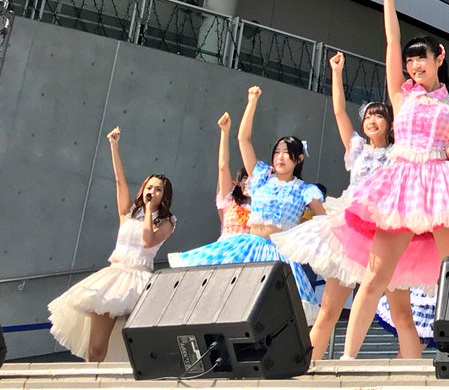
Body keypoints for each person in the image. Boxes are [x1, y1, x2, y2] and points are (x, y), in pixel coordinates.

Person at [334, 0, 449, 360]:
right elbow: (391, 41)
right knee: (375, 277)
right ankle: (346, 360)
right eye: (410, 60)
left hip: (442, 186)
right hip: (400, 184)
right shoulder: (401, 95)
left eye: (420, 58)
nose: (413, 65)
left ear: (439, 57)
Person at [273, 52, 422, 359]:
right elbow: (340, 111)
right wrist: (337, 73)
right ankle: (307, 368)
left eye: (379, 116)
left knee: (402, 316)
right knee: (328, 311)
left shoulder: (400, 153)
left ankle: (414, 375)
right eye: (368, 116)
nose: (372, 120)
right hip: (351, 231)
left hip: (387, 233)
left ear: (391, 123)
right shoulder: (357, 148)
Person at [169, 87, 325, 319]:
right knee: (229, 299)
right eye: (277, 152)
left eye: (287, 152)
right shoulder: (261, 177)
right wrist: (252, 102)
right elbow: (244, 139)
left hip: (278, 254)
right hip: (248, 245)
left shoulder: (305, 190)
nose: (280, 156)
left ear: (299, 158)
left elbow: (324, 221)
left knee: (266, 309)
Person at [48, 127, 175, 362]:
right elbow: (119, 182)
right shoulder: (128, 212)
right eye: (149, 187)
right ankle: (91, 377)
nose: (152, 192)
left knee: (139, 348)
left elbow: (148, 241)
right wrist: (114, 146)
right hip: (115, 276)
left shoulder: (167, 221)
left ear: (164, 195)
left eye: (158, 189)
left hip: (140, 281)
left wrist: (149, 211)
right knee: (96, 347)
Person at [214, 112, 251, 239]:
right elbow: (223, 167)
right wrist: (225, 132)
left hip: (251, 251)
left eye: (253, 178)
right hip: (226, 249)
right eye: (245, 178)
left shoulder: (263, 206)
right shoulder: (230, 200)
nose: (248, 182)